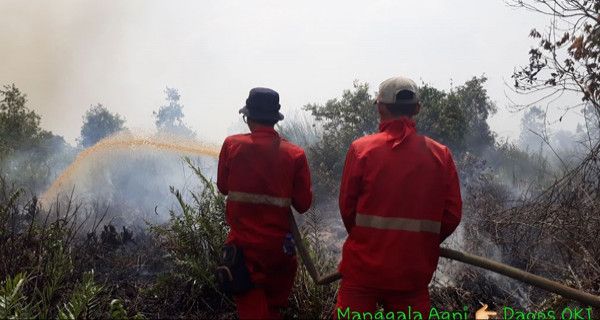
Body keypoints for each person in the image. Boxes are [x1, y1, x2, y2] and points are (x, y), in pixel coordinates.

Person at [335, 76, 462, 316]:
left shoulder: (361, 150)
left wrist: (370, 241)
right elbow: (452, 214)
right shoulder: (441, 155)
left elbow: (347, 209)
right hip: (412, 275)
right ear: (417, 109)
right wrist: (418, 243)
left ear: (380, 107)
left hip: (363, 272)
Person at [216, 87, 312, 319]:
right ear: (275, 119)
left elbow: (223, 187)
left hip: (244, 254)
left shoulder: (231, 145)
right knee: (273, 311)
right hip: (280, 254)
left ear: (248, 117)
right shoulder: (295, 154)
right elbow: (303, 204)